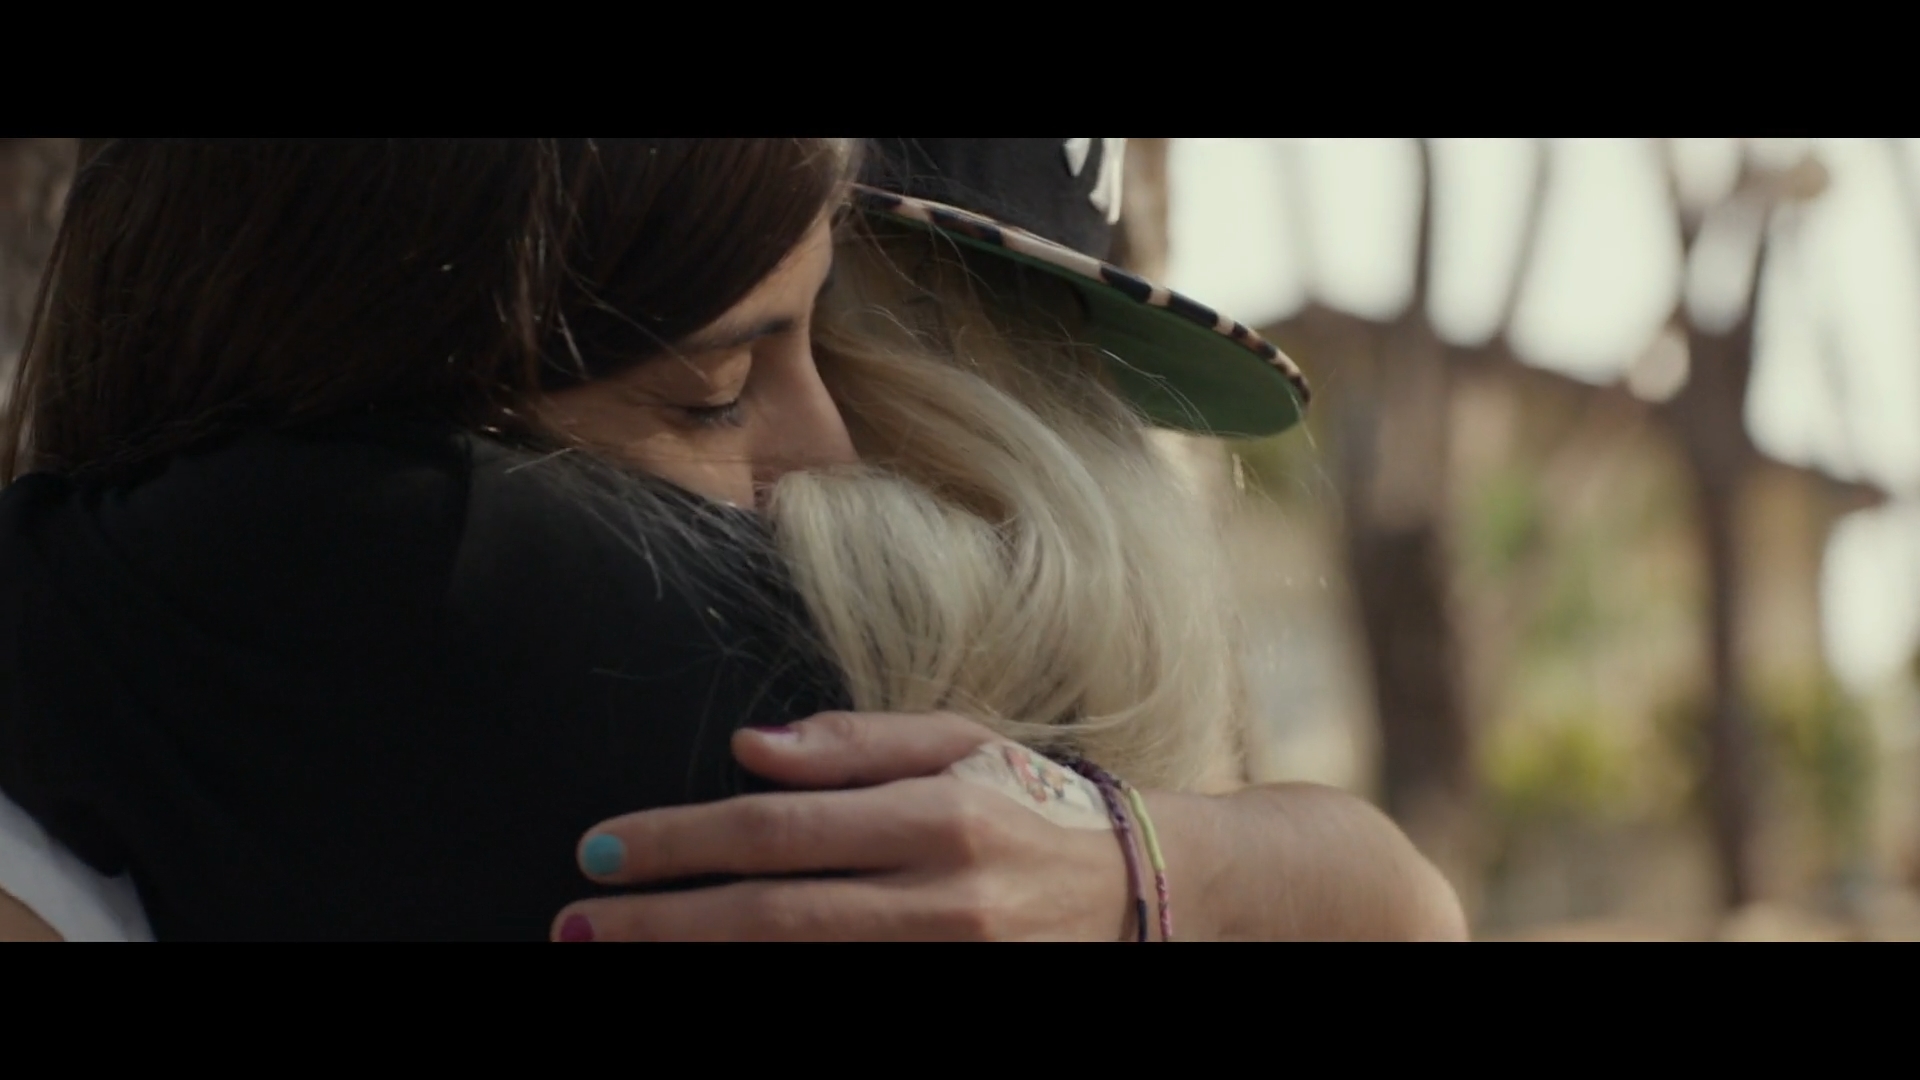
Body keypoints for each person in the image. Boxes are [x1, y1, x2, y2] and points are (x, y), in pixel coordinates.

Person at [0, 138, 1464, 941]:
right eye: (712, 387)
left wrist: (1170, 863)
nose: (835, 459)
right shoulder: (476, 601)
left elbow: (1403, 905)